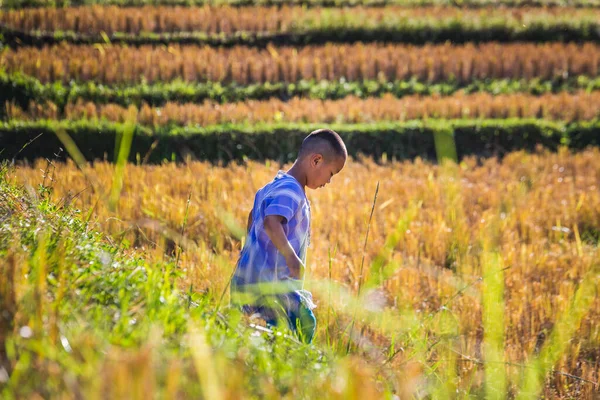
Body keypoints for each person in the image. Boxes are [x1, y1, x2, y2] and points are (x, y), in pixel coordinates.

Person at [230, 128, 347, 343]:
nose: (329, 181)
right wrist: (291, 256)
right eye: (331, 174)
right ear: (316, 160)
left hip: (248, 280)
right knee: (302, 324)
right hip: (271, 284)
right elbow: (271, 221)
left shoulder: (271, 187)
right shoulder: (291, 191)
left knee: (258, 335)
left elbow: (252, 218)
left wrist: (249, 252)